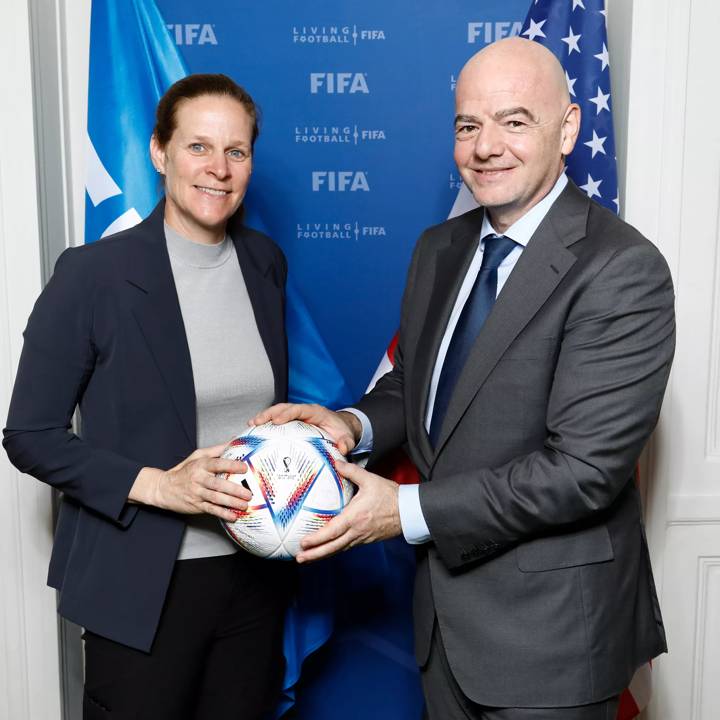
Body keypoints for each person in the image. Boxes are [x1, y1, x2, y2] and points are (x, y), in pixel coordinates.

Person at [253, 38, 675, 720]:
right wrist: (351, 424)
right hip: (444, 632)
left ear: (567, 128)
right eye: (467, 125)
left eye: (514, 121)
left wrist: (405, 512)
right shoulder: (439, 249)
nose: (485, 147)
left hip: (553, 644)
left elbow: (583, 472)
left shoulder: (621, 269)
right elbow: (415, 392)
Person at [4, 74, 291, 719]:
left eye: (236, 152)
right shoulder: (92, 275)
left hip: (253, 574)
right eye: (197, 147)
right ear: (159, 153)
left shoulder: (264, 264)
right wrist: (158, 486)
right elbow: (29, 435)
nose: (218, 169)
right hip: (139, 584)